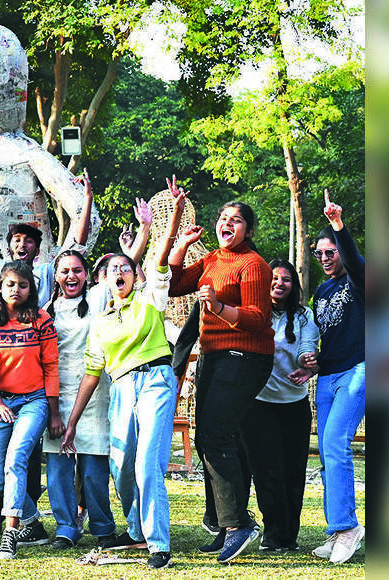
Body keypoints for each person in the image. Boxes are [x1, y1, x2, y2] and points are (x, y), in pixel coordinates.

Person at [0, 166, 93, 537]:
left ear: (37, 246)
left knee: (26, 453)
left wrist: (85, 200)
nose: (22, 245)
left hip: (37, 371)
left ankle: (24, 509)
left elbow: (76, 248)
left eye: (29, 240)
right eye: (17, 239)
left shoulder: (48, 274)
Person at [61, 178, 187, 570]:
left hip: (155, 382)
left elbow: (161, 257)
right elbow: (91, 374)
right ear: (104, 279)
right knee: (121, 466)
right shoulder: (100, 321)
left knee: (147, 463)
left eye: (125, 267)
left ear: (135, 276)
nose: (119, 271)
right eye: (112, 268)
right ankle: (136, 528)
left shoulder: (150, 298)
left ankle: (157, 543)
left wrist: (174, 215)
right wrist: (71, 423)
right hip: (120, 388)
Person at [168, 197, 274, 564]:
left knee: (215, 434)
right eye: (223, 218)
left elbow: (259, 318)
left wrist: (218, 308)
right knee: (206, 436)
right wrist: (180, 245)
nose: (227, 224)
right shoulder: (213, 259)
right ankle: (228, 524)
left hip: (245, 357)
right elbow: (177, 284)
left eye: (236, 220)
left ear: (248, 229)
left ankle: (237, 525)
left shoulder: (254, 264)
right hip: (214, 355)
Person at [0, 261, 60, 560]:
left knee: (16, 459)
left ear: (31, 289)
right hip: (1, 400)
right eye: (10, 284)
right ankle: (33, 522)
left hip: (34, 400)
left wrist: (54, 411)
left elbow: (50, 366)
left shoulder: (41, 320)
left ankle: (10, 533)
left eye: (23, 285)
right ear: (0, 286)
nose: (16, 289)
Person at [239, 258, 319, 552]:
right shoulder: (254, 314)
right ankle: (273, 534)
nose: (279, 284)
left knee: (292, 471)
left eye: (285, 279)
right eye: (273, 278)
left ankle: (289, 535)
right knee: (266, 470)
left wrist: (307, 362)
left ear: (293, 286)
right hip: (258, 405)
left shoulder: (303, 316)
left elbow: (307, 347)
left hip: (294, 405)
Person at [42, 250, 117, 551]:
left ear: (87, 274)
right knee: (59, 468)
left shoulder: (99, 299)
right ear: (56, 276)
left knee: (93, 468)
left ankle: (102, 527)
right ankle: (66, 527)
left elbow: (124, 266)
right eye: (64, 271)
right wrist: (52, 409)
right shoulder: (45, 310)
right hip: (57, 396)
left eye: (77, 270)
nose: (71, 276)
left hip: (95, 392)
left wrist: (145, 230)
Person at [309, 189, 366, 564]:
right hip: (327, 377)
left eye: (331, 252)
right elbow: (325, 335)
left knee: (334, 442)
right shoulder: (320, 291)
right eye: (320, 253)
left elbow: (357, 263)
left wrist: (338, 227)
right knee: (328, 456)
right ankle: (336, 529)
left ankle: (349, 527)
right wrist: (310, 362)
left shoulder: (361, 281)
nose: (326, 258)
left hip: (360, 369)